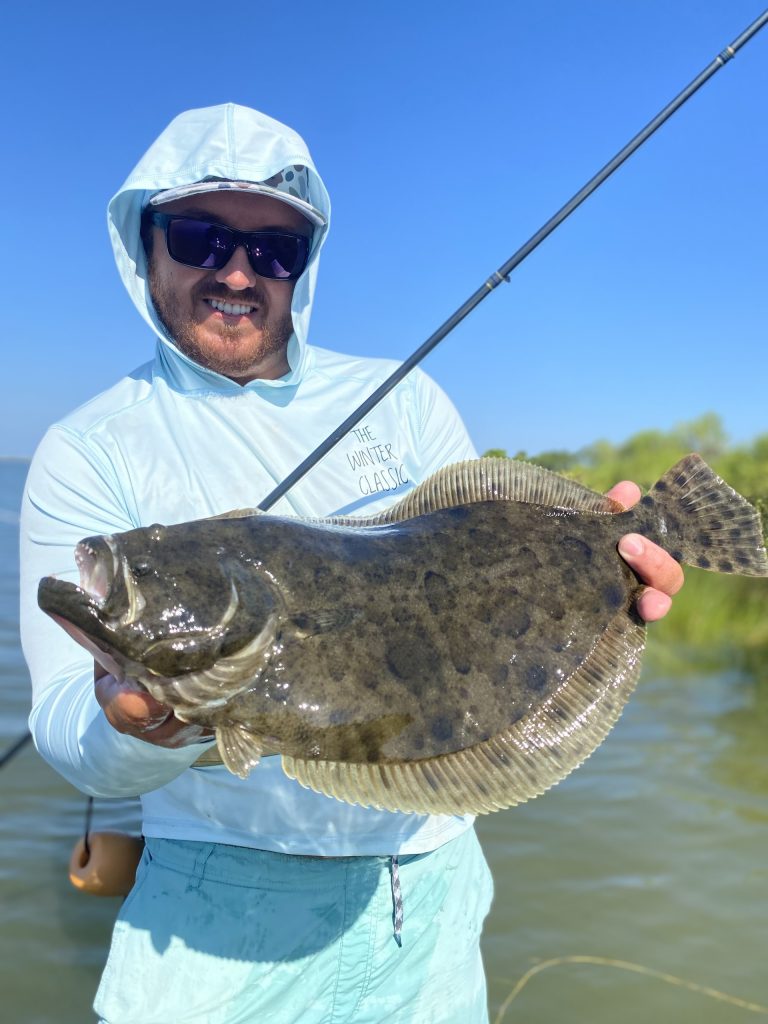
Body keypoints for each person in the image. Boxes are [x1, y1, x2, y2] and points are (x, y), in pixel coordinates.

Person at [20, 103, 684, 1024]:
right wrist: (137, 729)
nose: (238, 273)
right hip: (218, 919)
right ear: (146, 243)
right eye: (201, 237)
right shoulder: (89, 446)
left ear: (306, 262)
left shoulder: (404, 402)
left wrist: (611, 576)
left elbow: (477, 572)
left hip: (430, 900)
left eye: (276, 250)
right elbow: (64, 729)